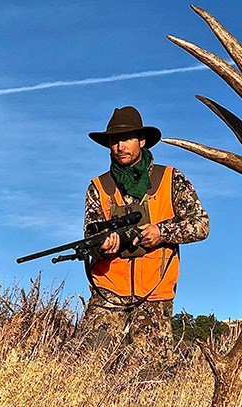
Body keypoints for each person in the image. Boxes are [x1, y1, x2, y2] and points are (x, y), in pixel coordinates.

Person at [79, 106, 209, 362]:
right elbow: (89, 235)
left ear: (142, 140)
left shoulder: (170, 179)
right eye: (114, 140)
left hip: (155, 294)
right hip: (108, 291)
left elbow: (201, 224)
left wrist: (161, 232)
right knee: (86, 367)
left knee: (149, 378)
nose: (120, 146)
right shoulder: (98, 187)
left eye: (126, 139)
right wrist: (101, 247)